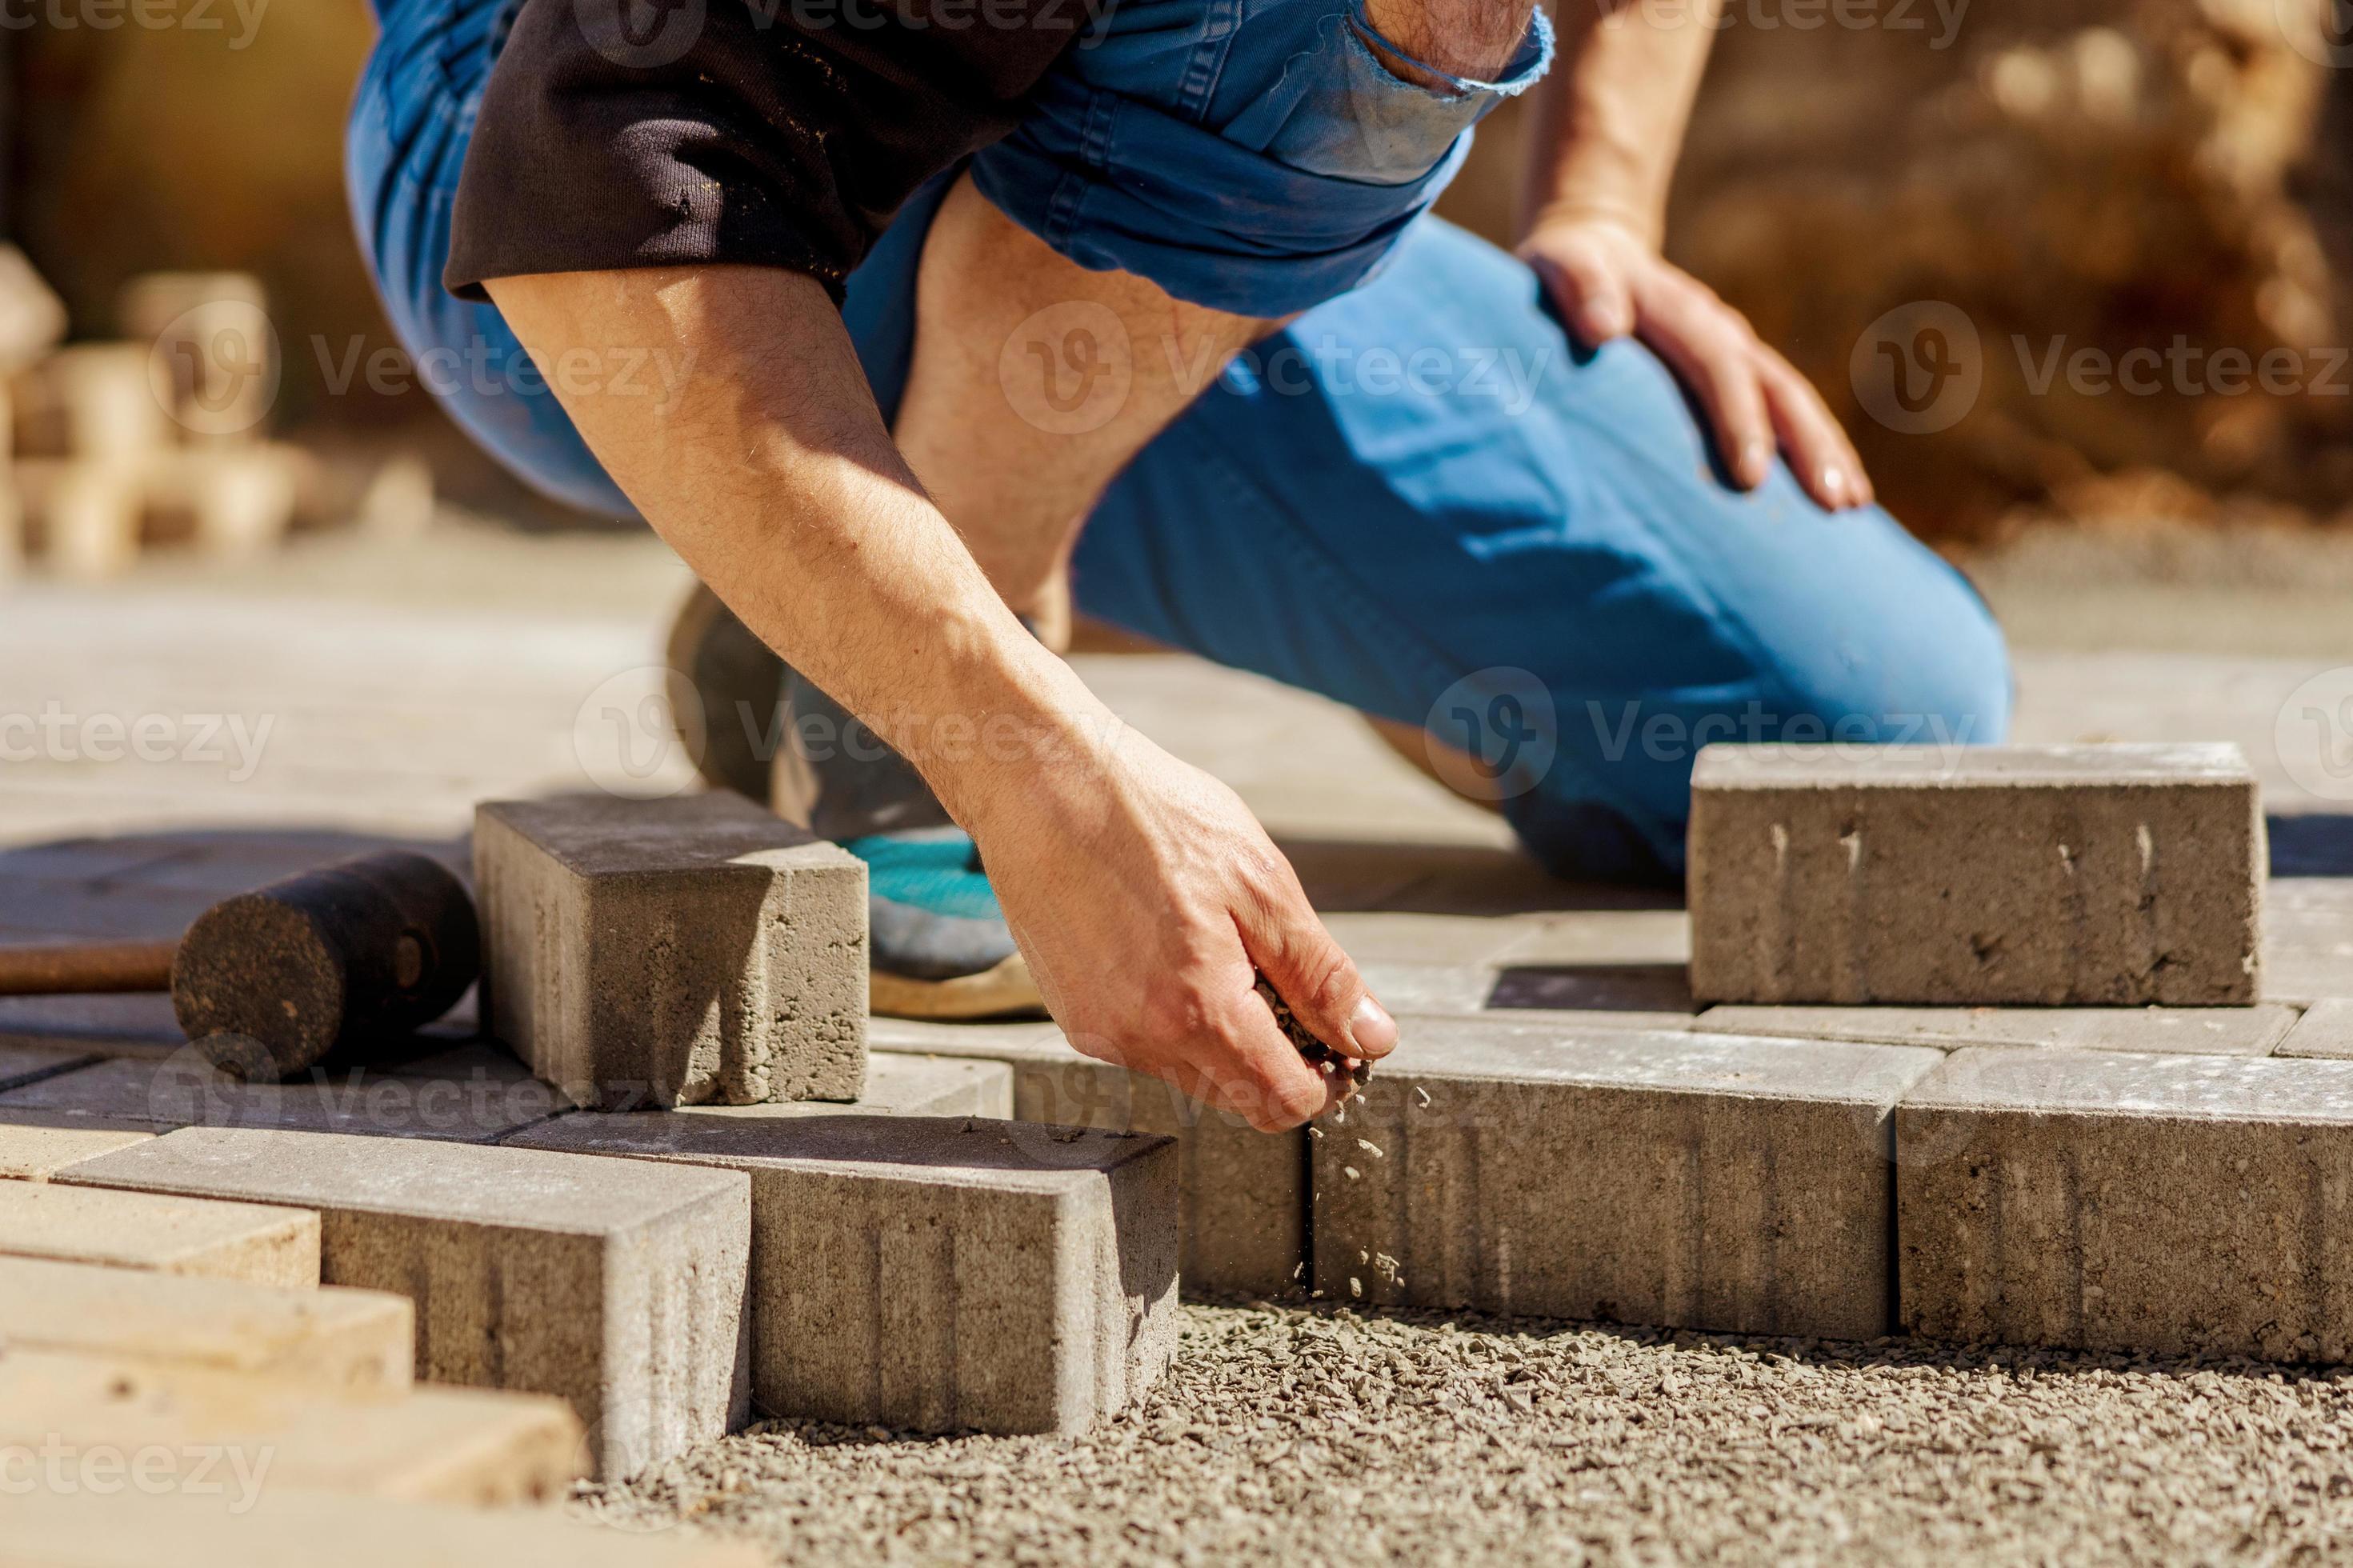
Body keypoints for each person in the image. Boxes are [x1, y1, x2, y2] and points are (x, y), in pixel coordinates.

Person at [346, 0, 2011, 1134]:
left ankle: (836, 572)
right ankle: (920, 652)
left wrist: (1601, 211)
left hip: (1143, 151)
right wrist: (1025, 756)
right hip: (556, 200)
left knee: (1856, 709)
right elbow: (598, 160)